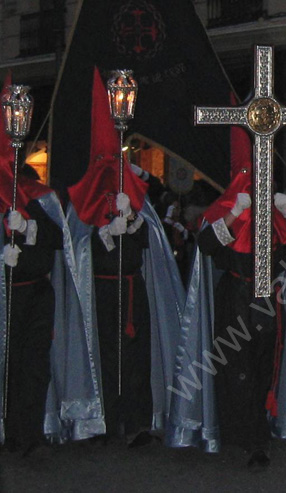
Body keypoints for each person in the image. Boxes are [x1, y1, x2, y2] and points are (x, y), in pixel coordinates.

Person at [167, 115, 286, 468]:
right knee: (235, 367)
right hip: (235, 299)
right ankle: (246, 434)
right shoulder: (228, 211)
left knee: (262, 367)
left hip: (268, 302)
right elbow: (208, 245)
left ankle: (258, 431)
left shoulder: (274, 216)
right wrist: (233, 215)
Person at [50, 67, 184, 446]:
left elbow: (152, 244)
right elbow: (76, 248)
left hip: (132, 288)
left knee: (136, 355)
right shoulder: (82, 203)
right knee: (104, 356)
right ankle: (103, 420)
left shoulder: (136, 198)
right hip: (101, 292)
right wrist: (106, 233)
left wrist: (133, 220)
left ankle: (138, 421)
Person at [0, 78, 72, 456]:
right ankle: (10, 431)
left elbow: (58, 237)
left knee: (33, 366)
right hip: (6, 293)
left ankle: (28, 430)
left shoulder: (36, 193)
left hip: (37, 290)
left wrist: (28, 227)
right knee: (8, 365)